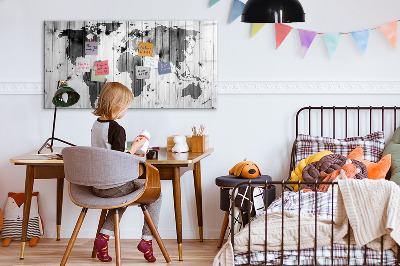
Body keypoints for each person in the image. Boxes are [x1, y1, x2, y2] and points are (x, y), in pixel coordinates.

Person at [91, 82, 161, 263]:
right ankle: (147, 240)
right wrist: (136, 148)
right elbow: (119, 160)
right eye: (126, 106)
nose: (126, 110)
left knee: (121, 198)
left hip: (97, 186)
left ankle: (103, 238)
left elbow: (108, 154)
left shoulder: (96, 125)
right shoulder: (117, 129)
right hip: (114, 186)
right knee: (156, 194)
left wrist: (131, 149)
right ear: (117, 105)